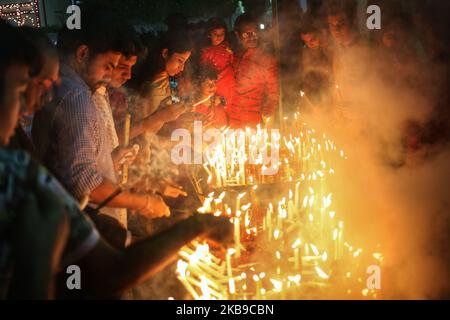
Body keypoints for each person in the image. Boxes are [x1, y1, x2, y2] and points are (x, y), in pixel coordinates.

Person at [32, 13, 172, 239]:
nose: (111, 76)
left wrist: (110, 160)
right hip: (85, 230)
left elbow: (70, 163)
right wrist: (144, 203)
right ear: (83, 54)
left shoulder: (72, 89)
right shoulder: (75, 95)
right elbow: (82, 181)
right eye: (108, 66)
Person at [227, 13, 279, 128]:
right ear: (237, 35)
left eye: (255, 33)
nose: (252, 37)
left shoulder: (267, 60)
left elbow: (273, 93)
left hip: (253, 123)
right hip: (229, 122)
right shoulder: (232, 56)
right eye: (246, 34)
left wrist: (269, 110)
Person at [298, 15, 333, 107]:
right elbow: (306, 77)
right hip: (316, 97)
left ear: (320, 33)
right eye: (305, 42)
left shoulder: (331, 49)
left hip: (334, 96)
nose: (310, 44)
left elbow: (334, 74)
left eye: (312, 39)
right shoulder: (306, 52)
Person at [200, 18, 235, 108]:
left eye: (222, 34)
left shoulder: (227, 47)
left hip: (228, 83)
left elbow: (232, 63)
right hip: (215, 84)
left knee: (227, 104)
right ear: (208, 34)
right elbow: (203, 69)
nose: (219, 37)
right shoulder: (206, 51)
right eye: (215, 34)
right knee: (215, 106)